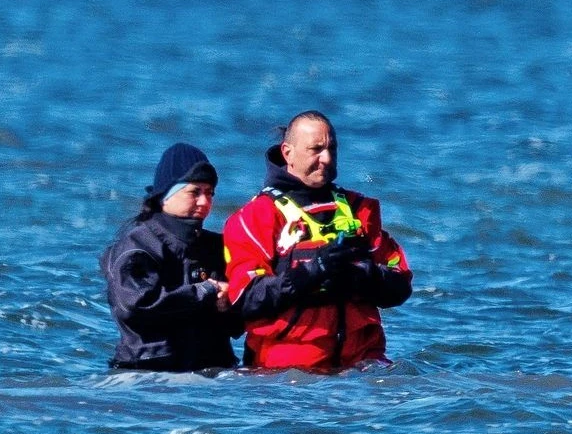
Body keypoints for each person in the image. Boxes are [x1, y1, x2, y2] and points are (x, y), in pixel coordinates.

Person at [220, 111, 411, 374]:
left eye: (332, 148)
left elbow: (400, 283)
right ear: (287, 152)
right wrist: (312, 271)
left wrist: (364, 275)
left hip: (363, 366)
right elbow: (245, 298)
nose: (327, 158)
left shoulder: (359, 210)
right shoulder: (255, 217)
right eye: (316, 149)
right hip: (285, 374)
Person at [104, 142, 238, 373]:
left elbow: (239, 323)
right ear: (165, 196)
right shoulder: (136, 247)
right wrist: (205, 291)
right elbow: (137, 306)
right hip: (147, 376)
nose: (205, 202)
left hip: (212, 379)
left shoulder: (217, 247)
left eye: (210, 193)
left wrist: (232, 301)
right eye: (194, 192)